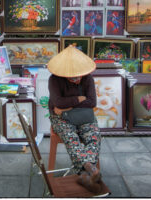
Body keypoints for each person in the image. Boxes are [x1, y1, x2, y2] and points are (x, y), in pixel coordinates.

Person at [47, 45, 104, 193]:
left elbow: (92, 102)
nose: (77, 79)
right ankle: (89, 169)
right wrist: (79, 98)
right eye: (72, 77)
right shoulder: (54, 80)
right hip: (61, 117)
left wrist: (67, 105)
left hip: (83, 114)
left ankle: (85, 173)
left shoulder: (88, 78)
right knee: (70, 136)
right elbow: (57, 103)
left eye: (79, 75)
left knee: (94, 135)